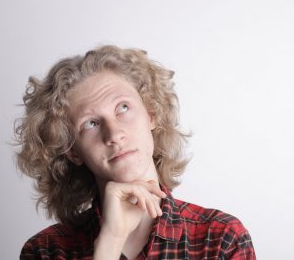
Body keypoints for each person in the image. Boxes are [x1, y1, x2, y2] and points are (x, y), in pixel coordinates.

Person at [15, 45, 256, 260]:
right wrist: (110, 241)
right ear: (72, 151)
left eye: (123, 108)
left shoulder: (220, 240)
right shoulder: (44, 251)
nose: (114, 134)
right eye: (90, 123)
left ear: (151, 114)